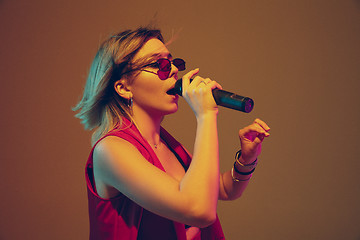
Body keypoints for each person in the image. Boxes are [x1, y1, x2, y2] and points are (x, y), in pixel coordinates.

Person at [73, 27, 270, 240]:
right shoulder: (111, 150)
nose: (175, 71)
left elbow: (221, 189)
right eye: (159, 65)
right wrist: (205, 116)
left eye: (173, 62)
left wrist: (246, 159)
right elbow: (200, 211)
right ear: (123, 87)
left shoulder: (167, 144)